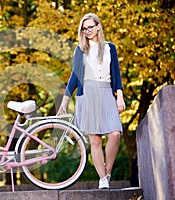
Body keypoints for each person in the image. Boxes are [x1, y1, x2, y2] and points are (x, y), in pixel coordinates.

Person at [57, 13, 125, 189]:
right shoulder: (80, 50)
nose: (87, 31)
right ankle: (102, 179)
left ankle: (107, 171)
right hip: (88, 93)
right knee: (95, 140)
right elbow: (74, 76)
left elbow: (116, 74)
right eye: (84, 28)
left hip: (106, 92)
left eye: (90, 27)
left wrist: (119, 96)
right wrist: (65, 100)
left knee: (115, 133)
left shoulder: (111, 48)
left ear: (98, 26)